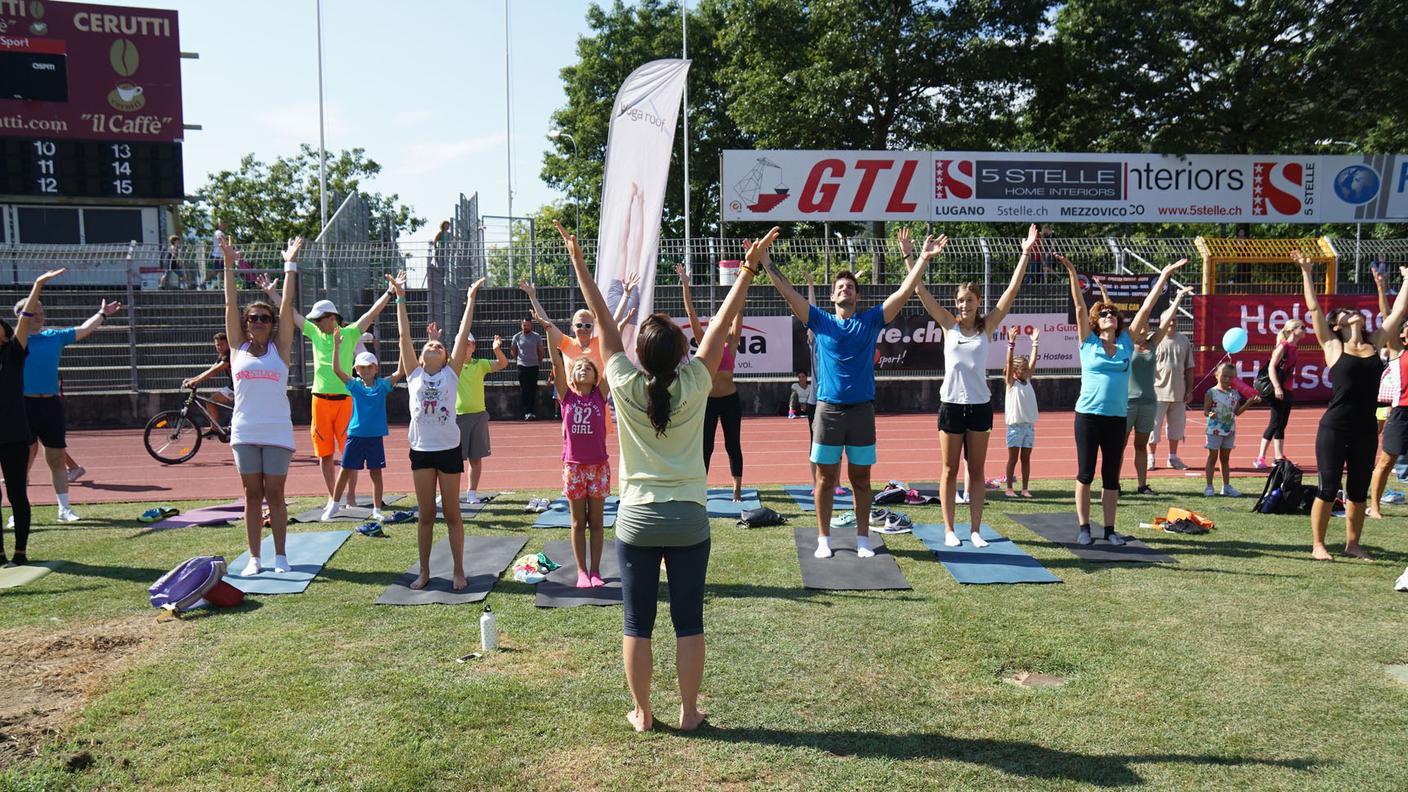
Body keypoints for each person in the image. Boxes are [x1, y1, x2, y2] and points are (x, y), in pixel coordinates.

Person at [556, 217, 778, 733]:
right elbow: (721, 322)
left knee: (637, 624)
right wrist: (748, 267)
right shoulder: (699, 379)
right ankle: (688, 710)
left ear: (640, 354)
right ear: (682, 353)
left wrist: (580, 264)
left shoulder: (623, 381)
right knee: (689, 622)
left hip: (637, 519)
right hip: (688, 520)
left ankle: (643, 712)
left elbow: (607, 326)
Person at [764, 228, 936, 559]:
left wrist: (920, 259)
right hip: (827, 411)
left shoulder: (870, 321)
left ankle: (862, 538)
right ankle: (824, 539)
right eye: (840, 286)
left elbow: (904, 291)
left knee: (861, 479)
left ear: (857, 297)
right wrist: (767, 262)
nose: (846, 288)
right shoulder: (820, 321)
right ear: (832, 297)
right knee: (825, 480)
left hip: (861, 412)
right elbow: (789, 294)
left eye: (851, 287)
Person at [914, 224, 1034, 548]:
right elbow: (921, 293)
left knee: (977, 471)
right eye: (960, 300)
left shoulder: (988, 326)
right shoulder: (947, 324)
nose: (963, 305)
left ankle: (976, 530)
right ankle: (950, 530)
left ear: (978, 301)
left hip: (980, 406)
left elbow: (1011, 291)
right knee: (949, 469)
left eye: (969, 300)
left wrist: (1025, 253)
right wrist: (913, 257)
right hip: (951, 404)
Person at [1056, 253, 1178, 546]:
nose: (1109, 315)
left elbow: (1147, 307)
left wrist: (1164, 275)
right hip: (1087, 416)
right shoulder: (1088, 342)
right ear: (1097, 321)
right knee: (1085, 474)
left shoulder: (1125, 341)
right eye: (1104, 313)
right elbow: (1078, 306)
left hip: (1115, 417)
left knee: (1111, 477)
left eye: (1113, 313)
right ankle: (1084, 528)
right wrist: (1073, 273)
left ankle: (1110, 530)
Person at [1293, 253, 1408, 561]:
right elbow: (1314, 308)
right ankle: (1319, 545)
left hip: (1365, 428)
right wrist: (1306, 271)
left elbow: (1397, 313)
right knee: (1328, 487)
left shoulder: (1375, 341)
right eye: (1344, 313)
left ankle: (1353, 545)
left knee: (1357, 490)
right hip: (1334, 427)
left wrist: (1407, 280)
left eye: (1352, 311)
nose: (1352, 313)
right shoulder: (1332, 346)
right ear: (1337, 324)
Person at [223, 234, 302, 576]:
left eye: (264, 319)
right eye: (253, 318)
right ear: (246, 323)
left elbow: (286, 307)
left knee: (276, 495)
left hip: (276, 431)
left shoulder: (279, 348)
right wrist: (228, 263)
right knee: (250, 495)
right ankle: (255, 558)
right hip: (244, 430)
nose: (258, 322)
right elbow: (229, 304)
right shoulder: (237, 347)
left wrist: (290, 264)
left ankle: (280, 556)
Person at [393, 272, 476, 590]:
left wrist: (469, 301)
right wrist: (400, 297)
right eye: (428, 344)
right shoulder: (413, 373)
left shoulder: (451, 374)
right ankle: (424, 571)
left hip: (449, 450)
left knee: (452, 514)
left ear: (445, 357)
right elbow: (404, 337)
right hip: (422, 451)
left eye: (437, 346)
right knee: (426, 515)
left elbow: (461, 334)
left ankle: (458, 570)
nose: (432, 346)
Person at [289, 281, 395, 520]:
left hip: (346, 399)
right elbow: (292, 314)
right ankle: (332, 498)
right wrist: (272, 292)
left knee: (350, 452)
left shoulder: (349, 333)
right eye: (315, 320)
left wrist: (390, 292)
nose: (316, 323)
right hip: (319, 399)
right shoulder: (314, 333)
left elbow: (372, 313)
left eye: (319, 319)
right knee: (324, 454)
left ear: (332, 317)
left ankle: (351, 497)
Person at [16, 287, 124, 524]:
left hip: (51, 404)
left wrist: (102, 314)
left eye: (42, 311)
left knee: (56, 457)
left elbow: (84, 330)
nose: (41, 315)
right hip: (24, 405)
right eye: (35, 311)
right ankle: (18, 512)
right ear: (22, 316)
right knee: (21, 461)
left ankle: (64, 509)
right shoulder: (15, 342)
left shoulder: (54, 335)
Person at [2, 269, 63, 565]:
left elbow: (25, 319)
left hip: (13, 436)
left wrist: (38, 285)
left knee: (17, 494)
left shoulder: (14, 353)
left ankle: (20, 552)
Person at [678, 262, 746, 500]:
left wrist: (741, 279)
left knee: (732, 445)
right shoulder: (704, 343)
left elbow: (738, 309)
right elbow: (691, 314)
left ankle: (737, 487)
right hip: (706, 402)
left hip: (730, 400)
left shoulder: (732, 342)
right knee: (705, 447)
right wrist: (686, 285)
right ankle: (700, 488)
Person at [548, 336, 610, 588]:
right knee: (577, 522)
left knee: (596, 522)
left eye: (588, 367)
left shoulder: (599, 396)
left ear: (596, 376)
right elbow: (556, 363)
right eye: (579, 367)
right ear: (572, 376)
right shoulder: (567, 397)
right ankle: (582, 572)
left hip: (598, 467)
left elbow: (609, 356)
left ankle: (596, 571)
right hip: (573, 467)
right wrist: (550, 331)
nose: (583, 369)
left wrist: (612, 328)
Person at [1122, 282, 1195, 495]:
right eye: (1141, 324)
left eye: (1147, 324)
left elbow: (1164, 323)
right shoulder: (1125, 345)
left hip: (1148, 401)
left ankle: (1142, 485)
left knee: (1140, 445)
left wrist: (1179, 297)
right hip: (1128, 402)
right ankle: (1113, 483)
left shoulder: (1153, 343)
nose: (1144, 327)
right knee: (1120, 446)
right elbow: (1145, 308)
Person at [330, 318, 403, 524]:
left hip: (374, 437)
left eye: (370, 367)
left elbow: (400, 372)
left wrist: (401, 348)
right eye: (362, 367)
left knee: (376, 473)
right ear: (357, 370)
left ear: (376, 368)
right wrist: (336, 346)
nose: (366, 370)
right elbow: (336, 370)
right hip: (355, 435)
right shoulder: (354, 385)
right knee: (345, 470)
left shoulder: (382, 386)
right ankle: (334, 506)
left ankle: (377, 508)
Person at [454, 296, 509, 504]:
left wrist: (496, 349)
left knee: (475, 458)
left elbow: (503, 364)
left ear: (474, 346)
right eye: (461, 343)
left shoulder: (480, 363)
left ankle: (471, 493)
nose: (465, 347)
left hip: (477, 416)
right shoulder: (451, 363)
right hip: (457, 417)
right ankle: (450, 492)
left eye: (468, 344)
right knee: (454, 459)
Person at [1148, 310, 1196, 471]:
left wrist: (1189, 390)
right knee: (1153, 428)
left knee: (1176, 428)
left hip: (1178, 393)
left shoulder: (1183, 340)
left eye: (1174, 319)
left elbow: (1189, 368)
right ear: (1161, 321)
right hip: (1156, 393)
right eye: (1168, 319)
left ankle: (1173, 458)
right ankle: (1151, 459)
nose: (1171, 322)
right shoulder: (1153, 340)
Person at [1369, 321, 1408, 519]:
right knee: (1386, 462)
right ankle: (1374, 506)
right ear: (1402, 335)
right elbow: (1389, 318)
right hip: (1402, 412)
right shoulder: (1398, 352)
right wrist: (1382, 290)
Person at [1253, 319, 1304, 469]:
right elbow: (1271, 368)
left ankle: (1278, 457)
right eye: (1302, 327)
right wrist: (1277, 387)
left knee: (1282, 423)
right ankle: (1260, 457)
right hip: (1278, 389)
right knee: (1275, 422)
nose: (1305, 330)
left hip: (1287, 389)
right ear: (1293, 330)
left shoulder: (1294, 347)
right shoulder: (1283, 346)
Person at [1203, 362, 1259, 496]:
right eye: (1224, 376)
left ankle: (1226, 486)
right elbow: (1206, 411)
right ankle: (1209, 486)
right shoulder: (1211, 392)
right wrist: (1213, 414)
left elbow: (1237, 412)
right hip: (1214, 430)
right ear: (1217, 375)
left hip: (1229, 430)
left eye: (1231, 377)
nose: (1227, 379)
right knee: (1212, 457)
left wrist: (1249, 402)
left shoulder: (1235, 393)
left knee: (1225, 459)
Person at [1003, 326, 1040, 498]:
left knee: (1026, 458)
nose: (1027, 371)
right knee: (1013, 458)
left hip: (1028, 426)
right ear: (1016, 371)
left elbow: (1033, 362)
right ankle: (1009, 488)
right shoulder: (1011, 383)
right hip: (1015, 427)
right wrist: (1011, 344)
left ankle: (1025, 488)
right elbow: (1009, 364)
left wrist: (1035, 343)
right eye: (1023, 369)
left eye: (1027, 369)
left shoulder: (1028, 380)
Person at [181, 332, 234, 426]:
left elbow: (215, 371)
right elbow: (211, 369)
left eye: (222, 344)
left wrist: (196, 381)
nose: (220, 347)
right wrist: (193, 379)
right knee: (210, 402)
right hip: (232, 387)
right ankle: (214, 430)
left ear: (228, 343)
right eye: (217, 345)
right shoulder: (222, 356)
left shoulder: (230, 354)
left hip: (239, 388)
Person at [511, 317, 545, 420]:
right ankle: (527, 412)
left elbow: (541, 350)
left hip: (534, 365)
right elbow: (513, 350)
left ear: (531, 325)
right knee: (524, 389)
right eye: (524, 325)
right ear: (521, 325)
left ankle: (532, 412)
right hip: (522, 366)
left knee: (533, 389)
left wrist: (538, 361)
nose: (526, 327)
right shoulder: (516, 337)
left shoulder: (536, 336)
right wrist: (517, 360)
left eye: (528, 325)